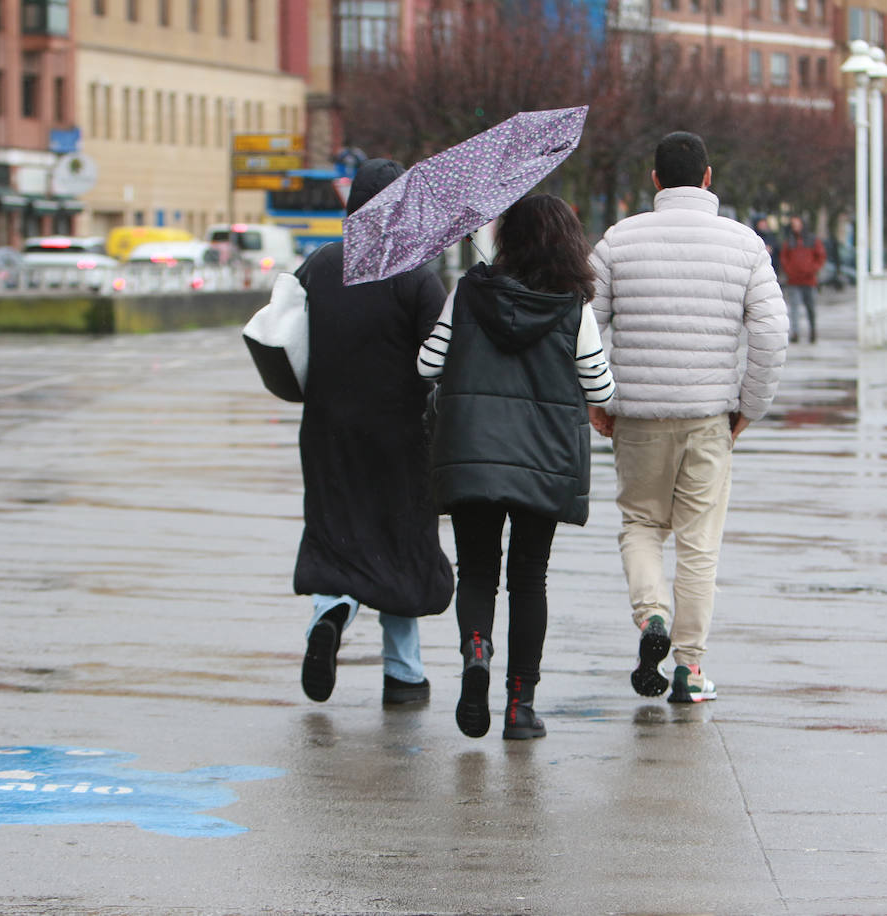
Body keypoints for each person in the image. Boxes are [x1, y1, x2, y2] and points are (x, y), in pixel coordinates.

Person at [588, 131, 788, 704]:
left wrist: (595, 398)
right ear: (708, 177)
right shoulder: (745, 246)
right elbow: (772, 334)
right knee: (699, 544)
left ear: (654, 181)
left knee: (641, 524)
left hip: (638, 419)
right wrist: (749, 406)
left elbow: (582, 327)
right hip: (708, 418)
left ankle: (653, 616)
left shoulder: (617, 242)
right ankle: (690, 668)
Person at [418, 194, 615, 740]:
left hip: (472, 452)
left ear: (509, 238)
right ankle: (519, 708)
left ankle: (476, 650)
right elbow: (600, 386)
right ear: (566, 243)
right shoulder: (572, 307)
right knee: (529, 578)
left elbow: (427, 363)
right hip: (543, 460)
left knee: (477, 570)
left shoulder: (469, 291)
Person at [293, 158, 454, 706]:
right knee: (401, 540)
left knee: (338, 527)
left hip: (327, 428)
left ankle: (330, 611)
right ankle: (403, 674)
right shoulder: (415, 276)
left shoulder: (318, 264)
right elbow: (442, 357)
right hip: (399, 433)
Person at [779, 215, 826, 343]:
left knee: (810, 307)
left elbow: (820, 257)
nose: (795, 227)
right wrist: (789, 271)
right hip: (794, 280)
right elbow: (784, 258)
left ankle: (812, 330)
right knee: (794, 307)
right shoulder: (789, 241)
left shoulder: (812, 240)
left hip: (809, 280)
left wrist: (812, 269)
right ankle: (795, 332)